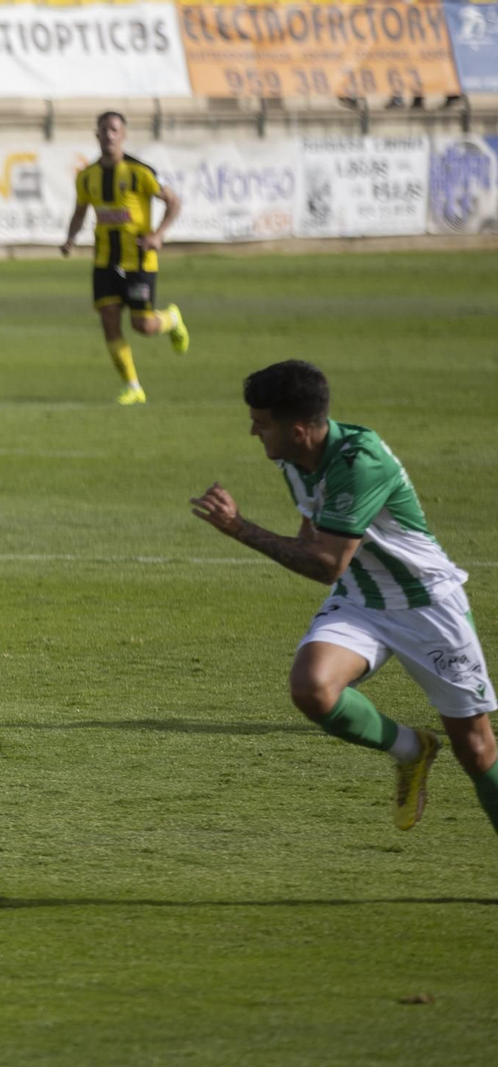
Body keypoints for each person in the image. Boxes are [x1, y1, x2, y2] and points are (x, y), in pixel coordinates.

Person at [190, 360, 497, 835]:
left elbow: (326, 563)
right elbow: (311, 537)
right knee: (312, 689)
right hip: (359, 599)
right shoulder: (293, 458)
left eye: (261, 423)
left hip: (426, 603)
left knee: (476, 750)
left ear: (297, 430)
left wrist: (238, 528)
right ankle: (412, 749)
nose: (253, 432)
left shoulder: (360, 463)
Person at [60, 111, 190, 406]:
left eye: (114, 129)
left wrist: (158, 235)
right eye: (104, 129)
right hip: (105, 261)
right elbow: (80, 212)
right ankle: (132, 386)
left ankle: (171, 319)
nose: (109, 135)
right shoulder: (87, 176)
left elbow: (173, 202)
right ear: (97, 135)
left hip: (139, 260)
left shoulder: (139, 171)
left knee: (142, 325)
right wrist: (70, 239)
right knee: (109, 318)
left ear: (123, 135)